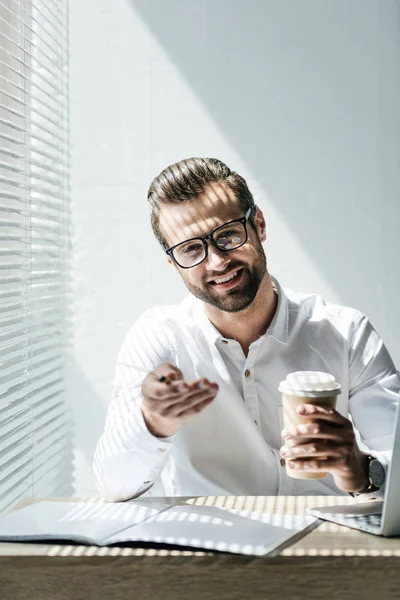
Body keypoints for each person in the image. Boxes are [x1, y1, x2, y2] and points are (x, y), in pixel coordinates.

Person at [94, 157, 399, 501]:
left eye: (227, 235)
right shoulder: (158, 340)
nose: (216, 261)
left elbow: (395, 464)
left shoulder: (347, 333)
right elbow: (112, 487)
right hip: (210, 548)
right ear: (173, 264)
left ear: (259, 224)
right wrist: (152, 423)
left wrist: (360, 468)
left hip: (326, 543)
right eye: (191, 249)